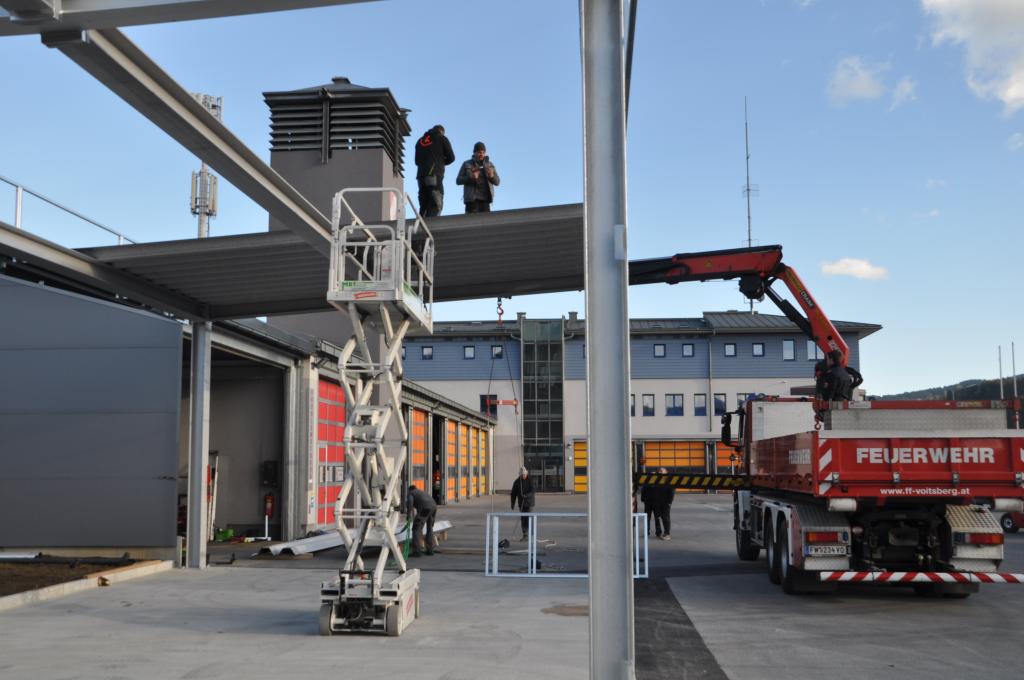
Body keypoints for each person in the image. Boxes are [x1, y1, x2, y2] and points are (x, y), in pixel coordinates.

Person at [414, 125, 455, 217]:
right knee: (436, 203)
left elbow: (416, 161)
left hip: (421, 176)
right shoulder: (441, 138)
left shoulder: (419, 141)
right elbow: (451, 157)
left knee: (424, 205)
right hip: (434, 174)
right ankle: (432, 225)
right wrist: (441, 162)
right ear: (441, 132)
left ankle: (421, 224)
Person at [455, 142, 501, 213]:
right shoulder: (466, 163)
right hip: (471, 201)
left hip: (486, 201)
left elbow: (497, 182)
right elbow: (458, 181)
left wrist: (491, 176)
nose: (481, 154)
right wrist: (471, 177)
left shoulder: (490, 165)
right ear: (474, 153)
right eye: (479, 152)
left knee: (486, 220)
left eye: (483, 152)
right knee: (471, 220)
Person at [406, 484, 437, 557]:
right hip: (434, 508)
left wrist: (408, 515)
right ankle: (430, 550)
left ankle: (416, 552)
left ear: (409, 490)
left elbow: (410, 504)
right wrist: (433, 519)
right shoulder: (421, 492)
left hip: (425, 509)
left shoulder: (411, 493)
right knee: (430, 528)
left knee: (416, 529)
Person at [509, 466, 536, 541]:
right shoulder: (517, 482)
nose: (523, 476)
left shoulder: (530, 480)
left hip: (529, 503)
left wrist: (527, 495)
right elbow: (513, 494)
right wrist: (512, 503)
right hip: (521, 503)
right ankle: (525, 535)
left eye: (524, 474)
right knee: (523, 519)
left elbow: (533, 490)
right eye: (522, 475)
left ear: (526, 473)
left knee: (528, 518)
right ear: (520, 474)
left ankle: (531, 534)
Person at [652, 467, 674, 540]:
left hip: (666, 502)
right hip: (658, 502)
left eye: (662, 471)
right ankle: (664, 533)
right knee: (660, 517)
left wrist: (669, 501)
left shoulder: (669, 480)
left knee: (665, 517)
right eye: (659, 471)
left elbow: (672, 491)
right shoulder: (657, 480)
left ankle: (667, 534)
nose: (660, 472)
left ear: (666, 472)